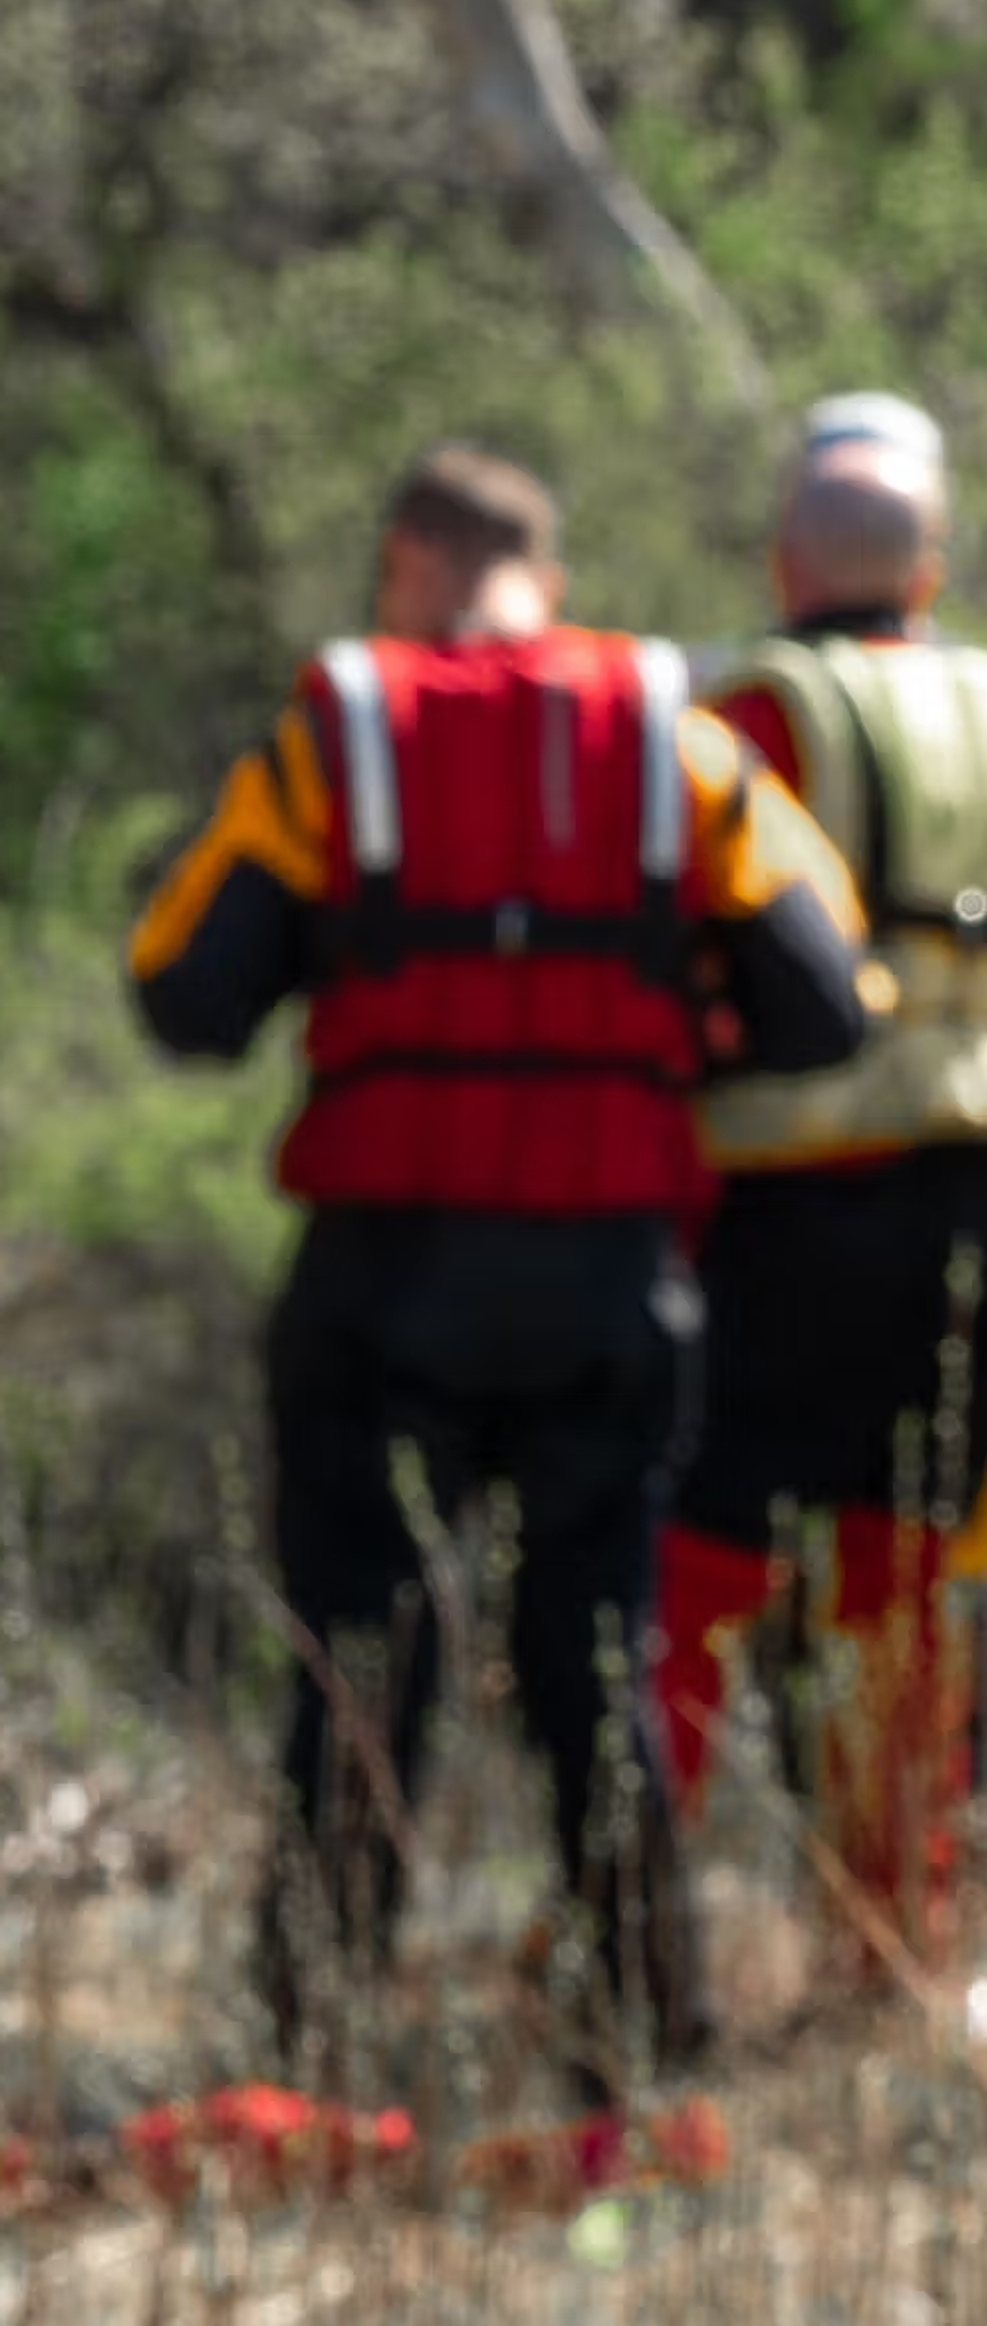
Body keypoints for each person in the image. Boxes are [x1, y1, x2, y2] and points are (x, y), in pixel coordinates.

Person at [127, 444, 870, 2088]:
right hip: (613, 1279)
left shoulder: (347, 730)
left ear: (407, 565)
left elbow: (183, 1000)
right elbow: (830, 1006)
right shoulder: (678, 740)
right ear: (554, 565)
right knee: (596, 1662)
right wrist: (651, 1049)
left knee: (361, 1666)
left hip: (386, 1282)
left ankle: (304, 2054)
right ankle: (641, 2052)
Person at [653, 399, 987, 1934]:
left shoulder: (754, 714)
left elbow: (684, 955)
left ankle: (617, 1921)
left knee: (694, 1560)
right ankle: (898, 1935)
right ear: (930, 564)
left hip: (786, 1206)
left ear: (782, 559)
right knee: (911, 1579)